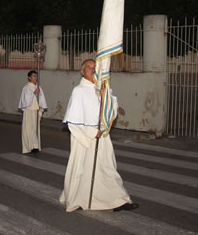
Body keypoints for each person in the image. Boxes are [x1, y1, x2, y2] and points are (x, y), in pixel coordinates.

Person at [59, 59, 138, 212]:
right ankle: (77, 200)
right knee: (82, 170)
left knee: (108, 167)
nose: (92, 69)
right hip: (85, 140)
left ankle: (119, 200)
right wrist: (91, 132)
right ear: (82, 71)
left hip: (102, 137)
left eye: (94, 67)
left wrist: (105, 96)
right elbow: (73, 123)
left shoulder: (102, 89)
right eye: (88, 67)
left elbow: (111, 112)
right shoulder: (78, 91)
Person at [18, 70, 47, 155]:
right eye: (34, 76)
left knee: (35, 129)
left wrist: (40, 107)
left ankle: (35, 145)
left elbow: (41, 99)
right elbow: (25, 100)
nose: (35, 78)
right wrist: (34, 93)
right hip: (29, 110)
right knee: (29, 129)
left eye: (36, 76)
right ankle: (33, 146)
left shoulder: (38, 87)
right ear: (29, 77)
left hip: (36, 110)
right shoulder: (26, 87)